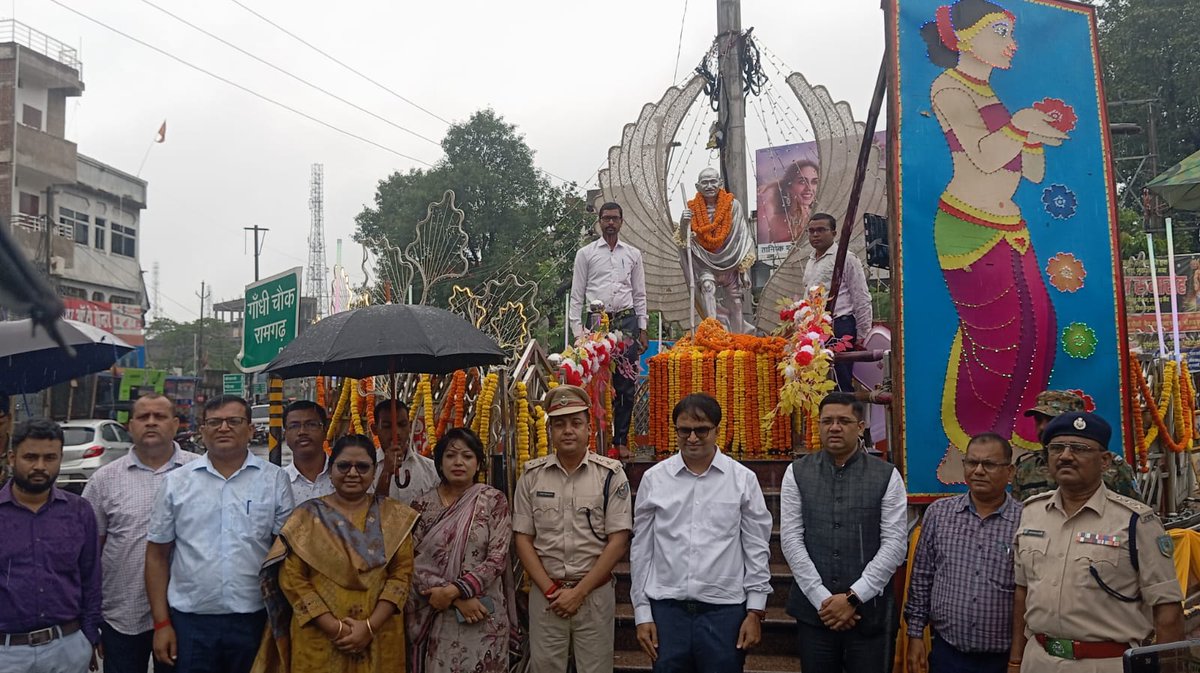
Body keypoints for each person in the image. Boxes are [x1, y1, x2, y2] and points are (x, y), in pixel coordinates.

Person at [922, 1, 1070, 480]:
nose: (1013, 43)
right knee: (995, 342)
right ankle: (966, 450)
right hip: (968, 227)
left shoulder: (990, 92)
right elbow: (984, 158)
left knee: (1038, 331)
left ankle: (1016, 443)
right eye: (1001, 31)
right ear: (964, 37)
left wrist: (1034, 139)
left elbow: (1027, 172)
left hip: (1010, 226)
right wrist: (1021, 125)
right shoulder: (948, 87)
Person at [1010, 411, 1183, 672]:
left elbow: (1167, 608)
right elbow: (1022, 591)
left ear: (1104, 461)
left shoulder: (1136, 522)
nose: (1065, 456)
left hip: (1105, 663)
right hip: (1039, 660)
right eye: (1056, 448)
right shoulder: (1031, 513)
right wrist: (1016, 660)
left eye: (1079, 448)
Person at [146, 395, 295, 673]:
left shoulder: (274, 480)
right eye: (214, 422)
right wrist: (162, 624)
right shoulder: (177, 483)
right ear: (202, 431)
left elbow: (285, 554)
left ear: (251, 429)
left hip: (255, 620)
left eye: (234, 421)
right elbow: (156, 555)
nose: (223, 428)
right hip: (190, 623)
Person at [631, 393, 773, 673]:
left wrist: (755, 611)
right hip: (667, 612)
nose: (692, 438)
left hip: (725, 612)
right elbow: (642, 550)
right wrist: (641, 613)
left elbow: (756, 547)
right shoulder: (655, 479)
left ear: (717, 430)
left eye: (701, 430)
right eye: (684, 430)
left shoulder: (742, 480)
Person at [252, 434, 417, 673]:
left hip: (380, 633)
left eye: (362, 467)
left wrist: (369, 627)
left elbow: (402, 575)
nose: (352, 473)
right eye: (343, 466)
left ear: (373, 472)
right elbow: (292, 578)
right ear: (331, 470)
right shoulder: (306, 517)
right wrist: (334, 628)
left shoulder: (395, 517)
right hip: (319, 636)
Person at [781, 391, 907, 673]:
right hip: (816, 614)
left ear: (860, 427)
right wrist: (823, 600)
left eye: (843, 421)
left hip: (869, 613)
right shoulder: (797, 472)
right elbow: (791, 540)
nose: (834, 427)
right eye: (827, 421)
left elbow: (895, 545)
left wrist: (853, 597)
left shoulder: (886, 475)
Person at [513, 385, 632, 673]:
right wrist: (552, 589)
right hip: (547, 595)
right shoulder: (531, 476)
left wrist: (579, 592)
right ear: (550, 430)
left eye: (576, 423)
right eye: (560, 424)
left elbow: (619, 540)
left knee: (596, 669)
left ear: (588, 428)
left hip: (593, 594)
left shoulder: (610, 474)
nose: (568, 430)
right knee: (545, 667)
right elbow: (523, 539)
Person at [83, 393, 199, 673]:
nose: (151, 423)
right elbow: (88, 555)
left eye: (159, 417)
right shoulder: (104, 480)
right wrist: (88, 619)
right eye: (143, 417)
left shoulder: (200, 471)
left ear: (175, 424)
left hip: (186, 612)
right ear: (130, 425)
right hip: (123, 614)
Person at [905, 433, 1021, 673]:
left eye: (989, 464)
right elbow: (922, 579)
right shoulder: (940, 514)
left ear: (1010, 472)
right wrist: (915, 635)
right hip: (948, 653)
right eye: (971, 463)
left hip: (1004, 657)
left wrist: (1017, 660)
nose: (978, 471)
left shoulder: (1026, 521)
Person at [406, 427, 515, 673]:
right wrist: (453, 599)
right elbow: (410, 561)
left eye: (467, 456)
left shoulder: (493, 501)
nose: (458, 462)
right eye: (450, 455)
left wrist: (456, 590)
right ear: (440, 462)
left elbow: (497, 559)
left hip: (483, 613)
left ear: (478, 464)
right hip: (437, 612)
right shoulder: (421, 505)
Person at [0, 418, 101, 673]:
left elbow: (91, 579)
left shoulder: (79, 511)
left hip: (67, 649)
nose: (40, 466)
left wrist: (88, 637)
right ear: (12, 458)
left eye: (50, 458)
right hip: (6, 654)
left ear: (60, 458)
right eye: (30, 457)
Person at [569, 201, 649, 459]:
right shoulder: (586, 253)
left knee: (625, 383)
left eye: (615, 218)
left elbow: (639, 294)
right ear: (600, 222)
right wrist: (577, 331)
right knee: (594, 382)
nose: (610, 223)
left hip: (626, 322)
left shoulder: (633, 254)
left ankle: (621, 439)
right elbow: (576, 294)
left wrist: (643, 327)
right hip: (596, 323)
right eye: (606, 219)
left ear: (621, 222)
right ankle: (592, 441)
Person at [1013, 390, 1140, 502]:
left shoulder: (1112, 466)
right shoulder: (1026, 468)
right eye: (1039, 420)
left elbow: (1134, 512)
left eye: (1052, 420)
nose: (1043, 427)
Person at [801, 213, 873, 391]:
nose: (815, 235)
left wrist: (864, 333)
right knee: (817, 381)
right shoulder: (810, 261)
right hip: (814, 329)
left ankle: (845, 416)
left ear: (833, 233)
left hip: (840, 326)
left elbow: (861, 296)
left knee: (841, 380)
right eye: (811, 231)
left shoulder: (846, 258)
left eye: (821, 230)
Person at [679, 168, 757, 333]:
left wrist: (743, 269)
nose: (709, 186)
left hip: (731, 261)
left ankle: (738, 337)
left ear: (720, 183)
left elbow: (742, 236)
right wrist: (684, 223)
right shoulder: (692, 209)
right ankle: (712, 334)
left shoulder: (733, 206)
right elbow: (683, 240)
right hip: (705, 262)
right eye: (705, 182)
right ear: (697, 186)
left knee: (736, 300)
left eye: (713, 181)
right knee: (707, 288)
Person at [373, 399, 439, 504]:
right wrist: (386, 472)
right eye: (387, 426)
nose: (396, 432)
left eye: (402, 425)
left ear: (410, 426)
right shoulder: (365, 469)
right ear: (374, 429)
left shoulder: (431, 470)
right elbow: (368, 512)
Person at [756, 159, 821, 244]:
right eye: (802, 182)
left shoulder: (820, 220)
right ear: (789, 187)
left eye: (814, 182)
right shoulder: (776, 221)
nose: (809, 188)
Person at [281, 400, 333, 503]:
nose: (302, 432)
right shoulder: (279, 483)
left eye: (311, 424)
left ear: (325, 430)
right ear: (285, 434)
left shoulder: (345, 476)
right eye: (294, 426)